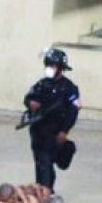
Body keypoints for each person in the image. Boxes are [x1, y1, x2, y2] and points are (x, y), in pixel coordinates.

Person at [23, 47, 81, 189]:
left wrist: (64, 131)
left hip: (54, 131)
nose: (50, 68)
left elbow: (73, 111)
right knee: (41, 163)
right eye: (48, 65)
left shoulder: (69, 88)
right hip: (38, 129)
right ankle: (43, 189)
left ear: (60, 68)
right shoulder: (42, 84)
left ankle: (45, 191)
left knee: (46, 163)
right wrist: (31, 103)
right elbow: (28, 97)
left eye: (52, 65)